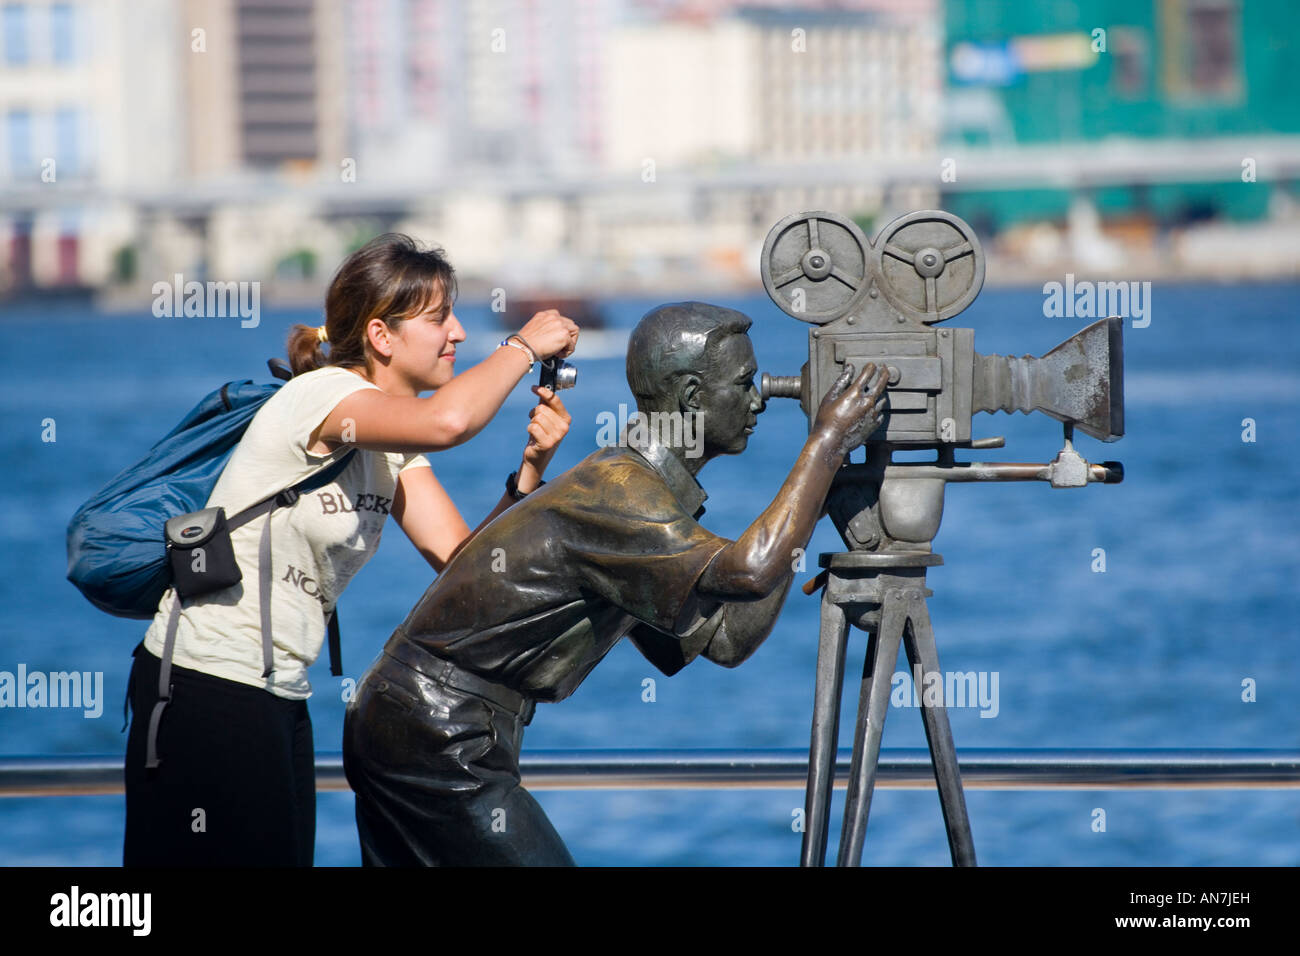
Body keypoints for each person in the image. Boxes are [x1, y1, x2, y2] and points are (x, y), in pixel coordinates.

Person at [343, 300, 888, 865]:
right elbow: (748, 570)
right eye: (746, 384)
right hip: (434, 733)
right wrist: (825, 446)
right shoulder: (619, 492)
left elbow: (724, 641)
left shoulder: (638, 501)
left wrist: (819, 497)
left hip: (425, 726)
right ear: (693, 399)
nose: (758, 402)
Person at [123, 233, 579, 866]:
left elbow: (465, 566)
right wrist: (523, 346)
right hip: (204, 686)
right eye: (439, 318)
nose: (458, 333)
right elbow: (450, 421)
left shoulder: (390, 442)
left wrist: (529, 472)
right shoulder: (321, 398)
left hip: (280, 694)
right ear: (381, 337)